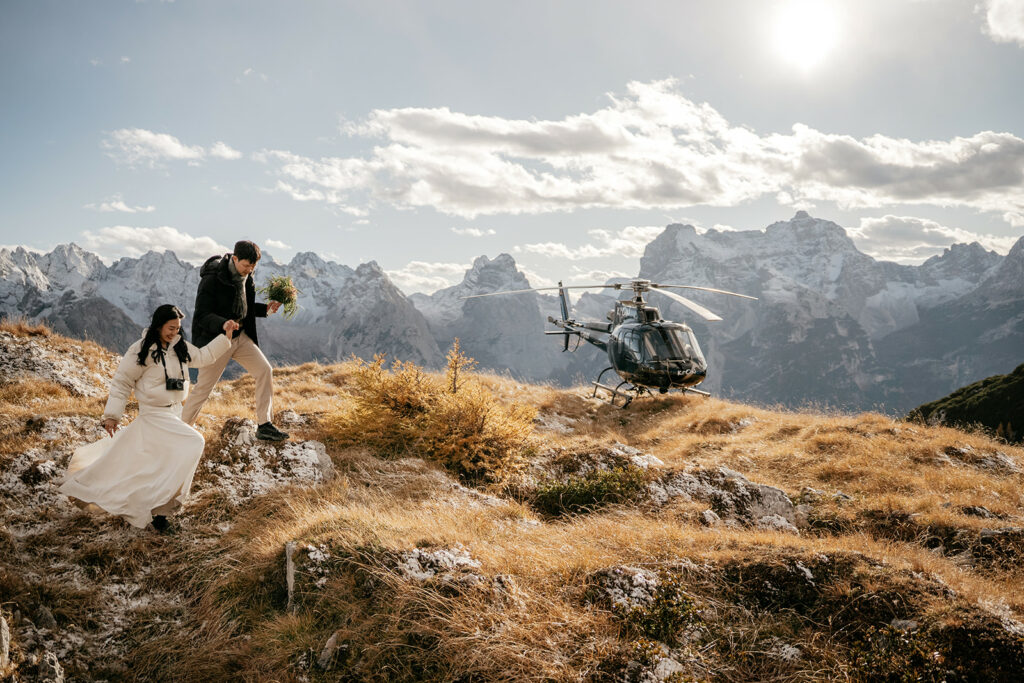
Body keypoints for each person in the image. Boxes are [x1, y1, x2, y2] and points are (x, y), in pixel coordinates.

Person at [59, 304, 237, 531]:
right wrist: (112, 416)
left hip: (174, 413)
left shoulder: (179, 345)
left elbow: (203, 357)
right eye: (171, 328)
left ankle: (159, 512)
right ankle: (161, 508)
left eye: (178, 328)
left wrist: (226, 337)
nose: (175, 332)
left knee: (164, 462)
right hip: (154, 415)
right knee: (195, 442)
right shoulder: (141, 349)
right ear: (159, 325)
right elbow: (122, 382)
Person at [181, 240, 289, 441]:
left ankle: (264, 425)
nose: (249, 270)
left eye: (253, 266)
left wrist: (265, 309)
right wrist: (224, 324)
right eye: (246, 265)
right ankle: (178, 432)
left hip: (240, 337)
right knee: (203, 389)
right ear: (235, 258)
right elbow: (202, 315)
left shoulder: (247, 276)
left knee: (265, 370)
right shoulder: (212, 279)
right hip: (217, 341)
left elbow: (244, 306)